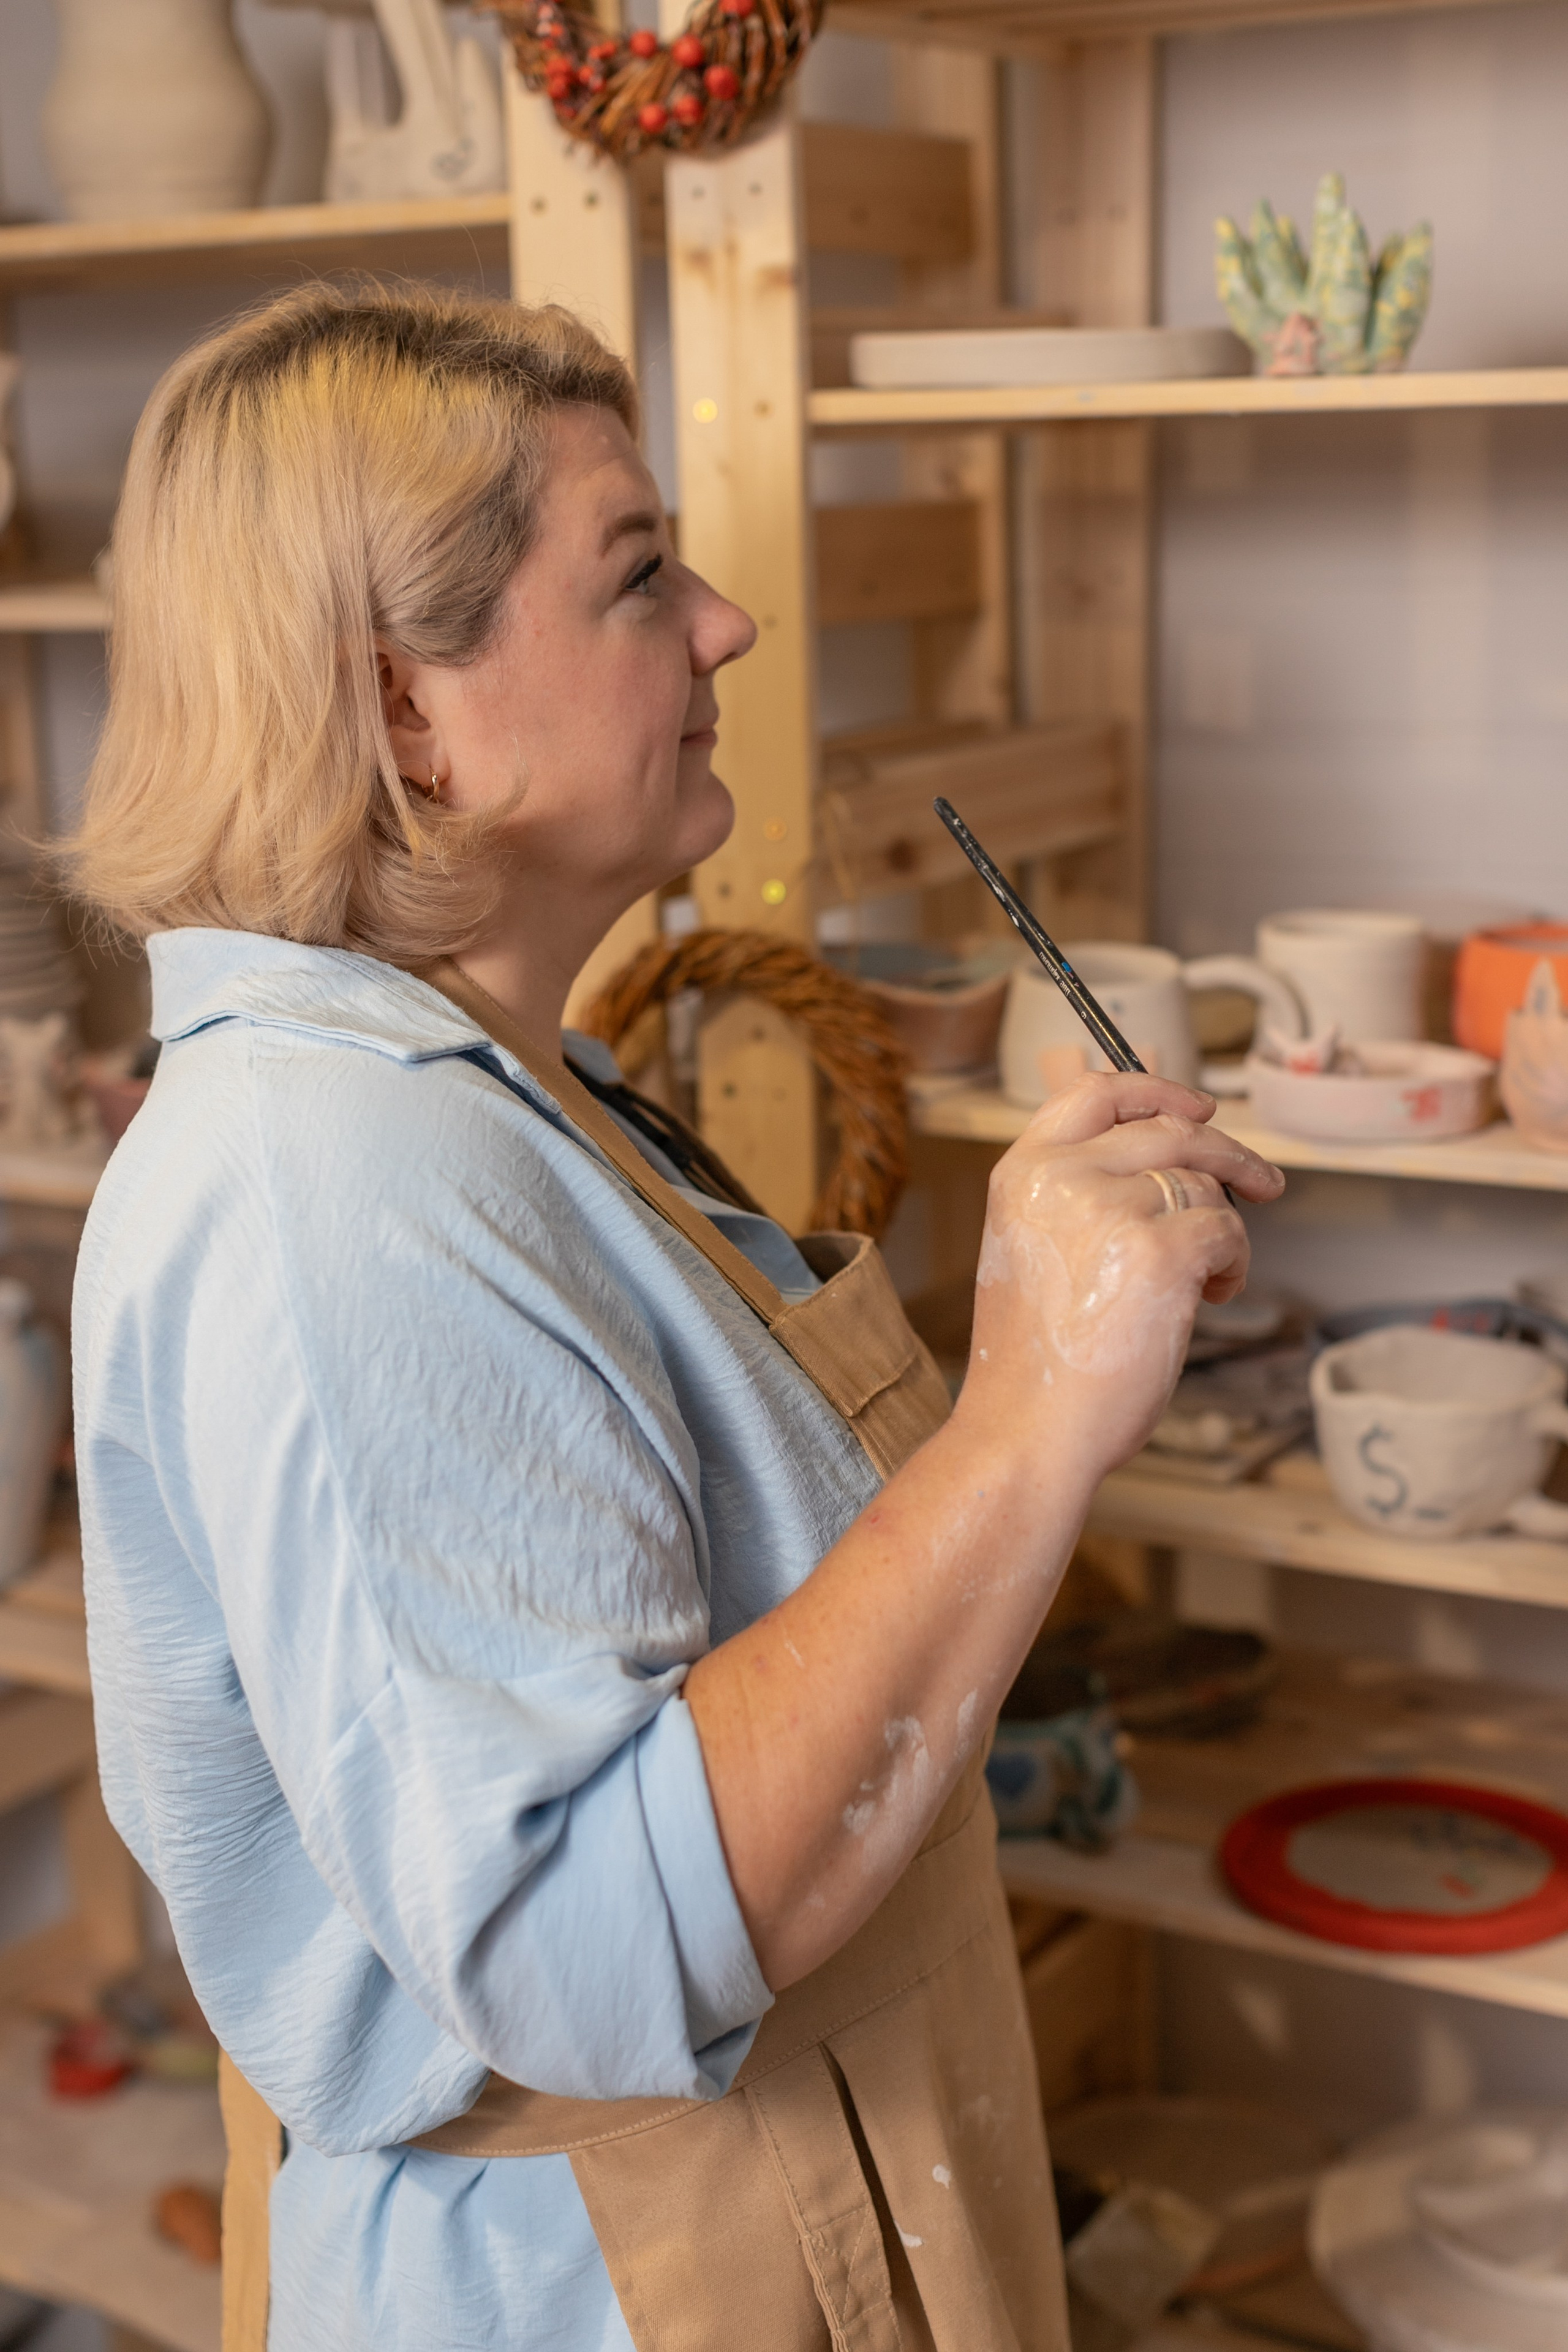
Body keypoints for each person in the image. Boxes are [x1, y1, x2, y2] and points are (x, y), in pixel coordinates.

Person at [64, 282, 1284, 2352]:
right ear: (407, 715)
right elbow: (587, 1948)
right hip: (620, 2276)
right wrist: (1026, 1413)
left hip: (783, 2182)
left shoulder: (494, 1087)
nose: (727, 627)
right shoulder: (329, 1187)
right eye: (640, 579)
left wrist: (1045, 1338)